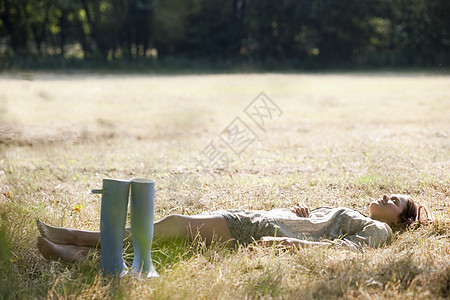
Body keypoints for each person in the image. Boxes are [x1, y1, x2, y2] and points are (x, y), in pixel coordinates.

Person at [36, 194, 433, 263]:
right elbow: (318, 225)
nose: (386, 196)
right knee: (172, 235)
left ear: (400, 220)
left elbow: (347, 252)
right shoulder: (352, 212)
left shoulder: (379, 233)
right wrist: (302, 213)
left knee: (173, 226)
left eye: (394, 201)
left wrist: (290, 243)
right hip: (258, 217)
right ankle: (83, 255)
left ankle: (77, 239)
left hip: (253, 230)